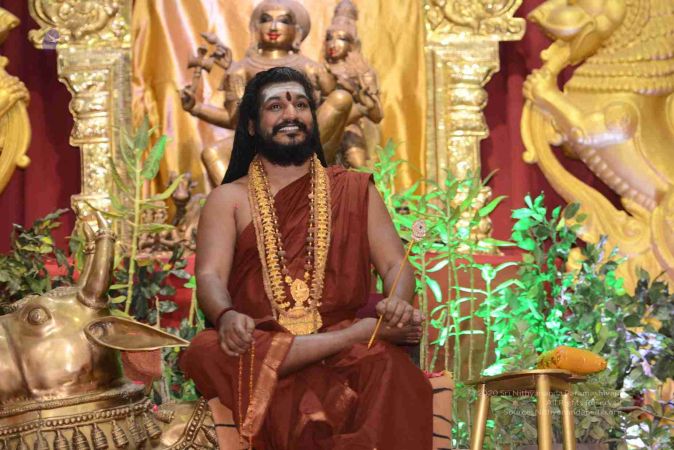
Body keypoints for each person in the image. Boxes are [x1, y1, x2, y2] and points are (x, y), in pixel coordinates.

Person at [180, 66, 432, 450]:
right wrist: (226, 316)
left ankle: (343, 343)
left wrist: (397, 301)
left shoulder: (353, 189)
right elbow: (210, 276)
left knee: (391, 368)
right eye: (276, 106)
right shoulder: (228, 198)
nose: (291, 114)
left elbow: (396, 264)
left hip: (343, 349)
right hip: (262, 339)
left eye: (301, 105)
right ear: (251, 125)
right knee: (204, 350)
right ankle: (351, 337)